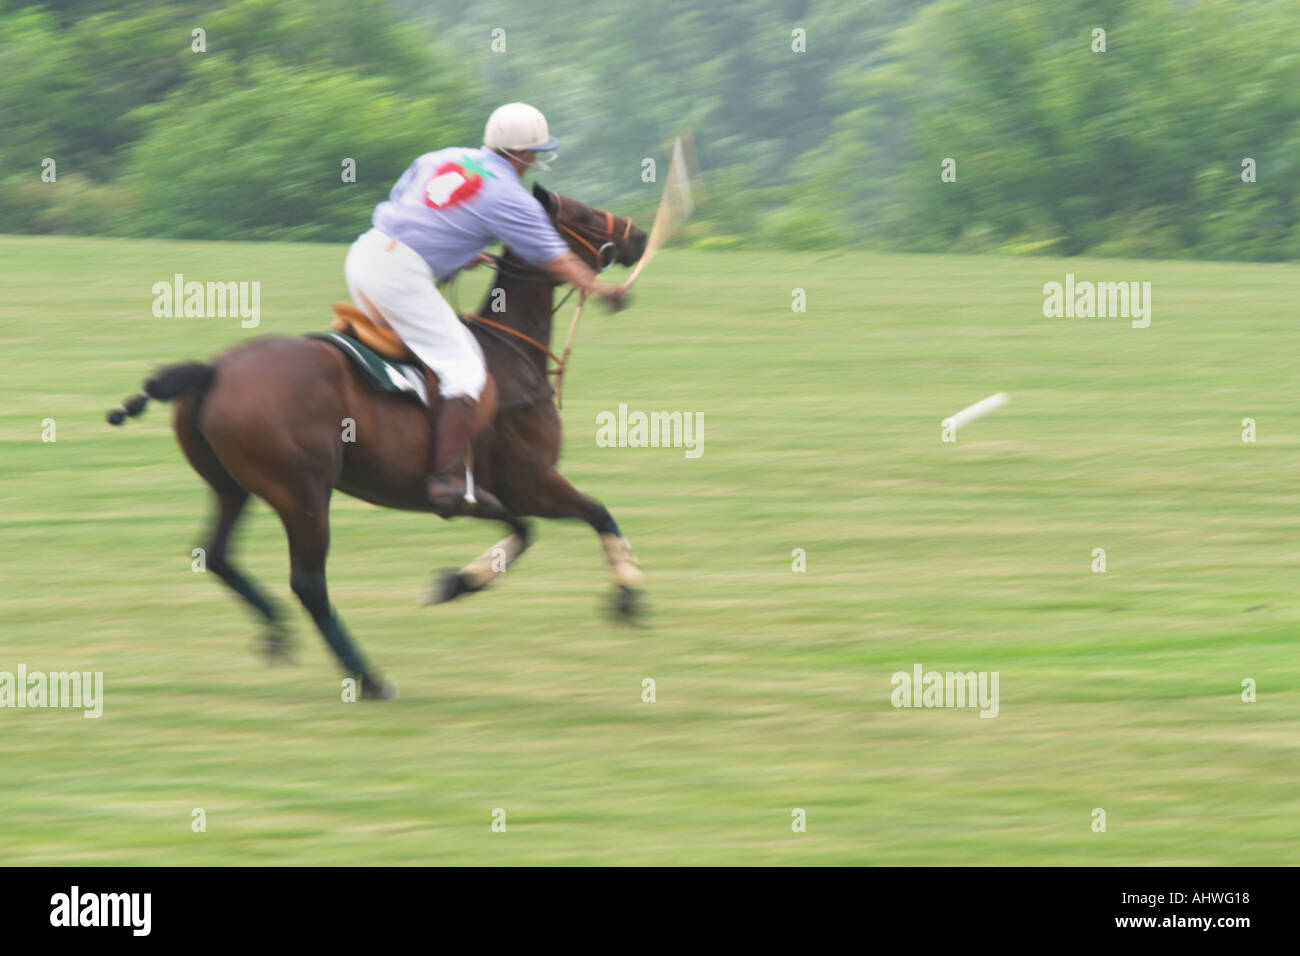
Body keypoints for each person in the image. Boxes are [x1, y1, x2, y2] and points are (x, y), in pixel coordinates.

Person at [344, 102, 626, 510]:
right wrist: (601, 290)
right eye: (535, 153)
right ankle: (445, 479)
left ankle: (400, 430)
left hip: (366, 253)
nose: (535, 161)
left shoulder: (442, 157)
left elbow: (411, 207)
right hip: (399, 276)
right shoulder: (511, 197)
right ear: (524, 154)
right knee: (464, 371)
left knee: (423, 353)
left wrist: (459, 250)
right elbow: (558, 259)